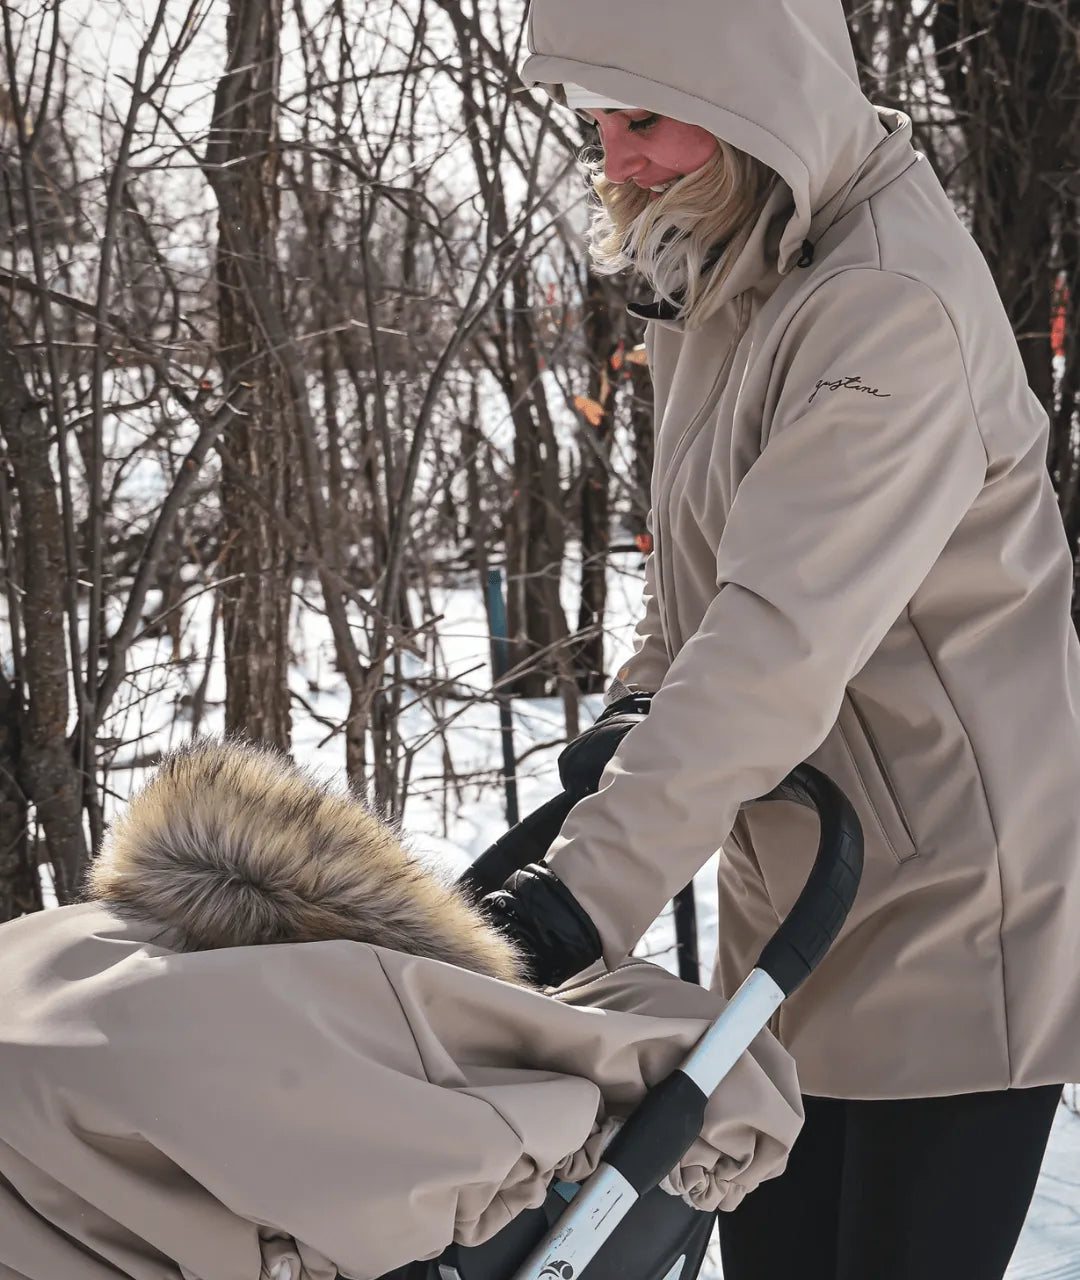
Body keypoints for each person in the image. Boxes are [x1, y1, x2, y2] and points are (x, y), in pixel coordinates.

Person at [481, 2, 1080, 1277]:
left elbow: (775, 640)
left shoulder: (885, 303)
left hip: (954, 912)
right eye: (598, 128)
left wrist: (583, 901)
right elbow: (704, 579)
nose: (616, 164)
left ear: (752, 92)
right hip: (800, 895)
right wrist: (640, 706)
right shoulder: (722, 266)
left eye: (643, 119)